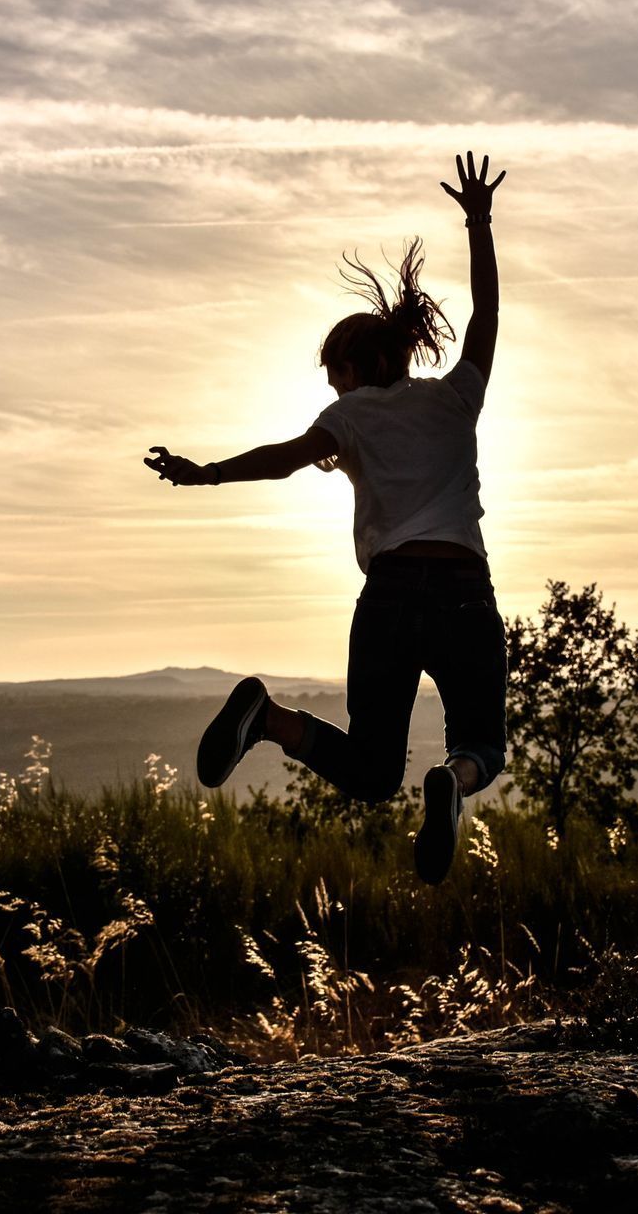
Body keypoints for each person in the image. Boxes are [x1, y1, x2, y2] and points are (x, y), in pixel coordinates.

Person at [144, 151, 507, 884]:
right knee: (481, 744)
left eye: (334, 369)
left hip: (391, 594)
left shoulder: (352, 415)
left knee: (373, 773)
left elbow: (283, 457)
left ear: (359, 365)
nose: (331, 382)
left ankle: (269, 718)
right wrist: (478, 223)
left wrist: (205, 472)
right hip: (465, 589)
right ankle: (452, 785)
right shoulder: (455, 397)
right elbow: (487, 314)